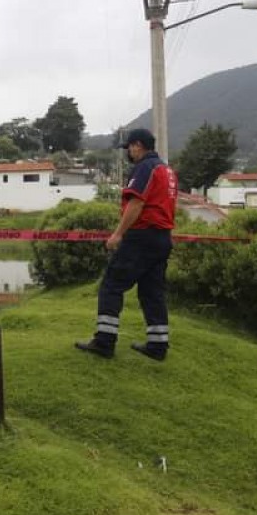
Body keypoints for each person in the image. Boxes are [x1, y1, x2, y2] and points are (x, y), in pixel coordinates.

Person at [75, 128, 178, 361]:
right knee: (152, 292)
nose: (129, 152)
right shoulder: (167, 170)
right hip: (163, 237)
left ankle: (104, 341)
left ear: (138, 145)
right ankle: (158, 346)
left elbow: (136, 203)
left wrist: (118, 234)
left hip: (141, 236)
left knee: (111, 285)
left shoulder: (145, 167)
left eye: (130, 147)